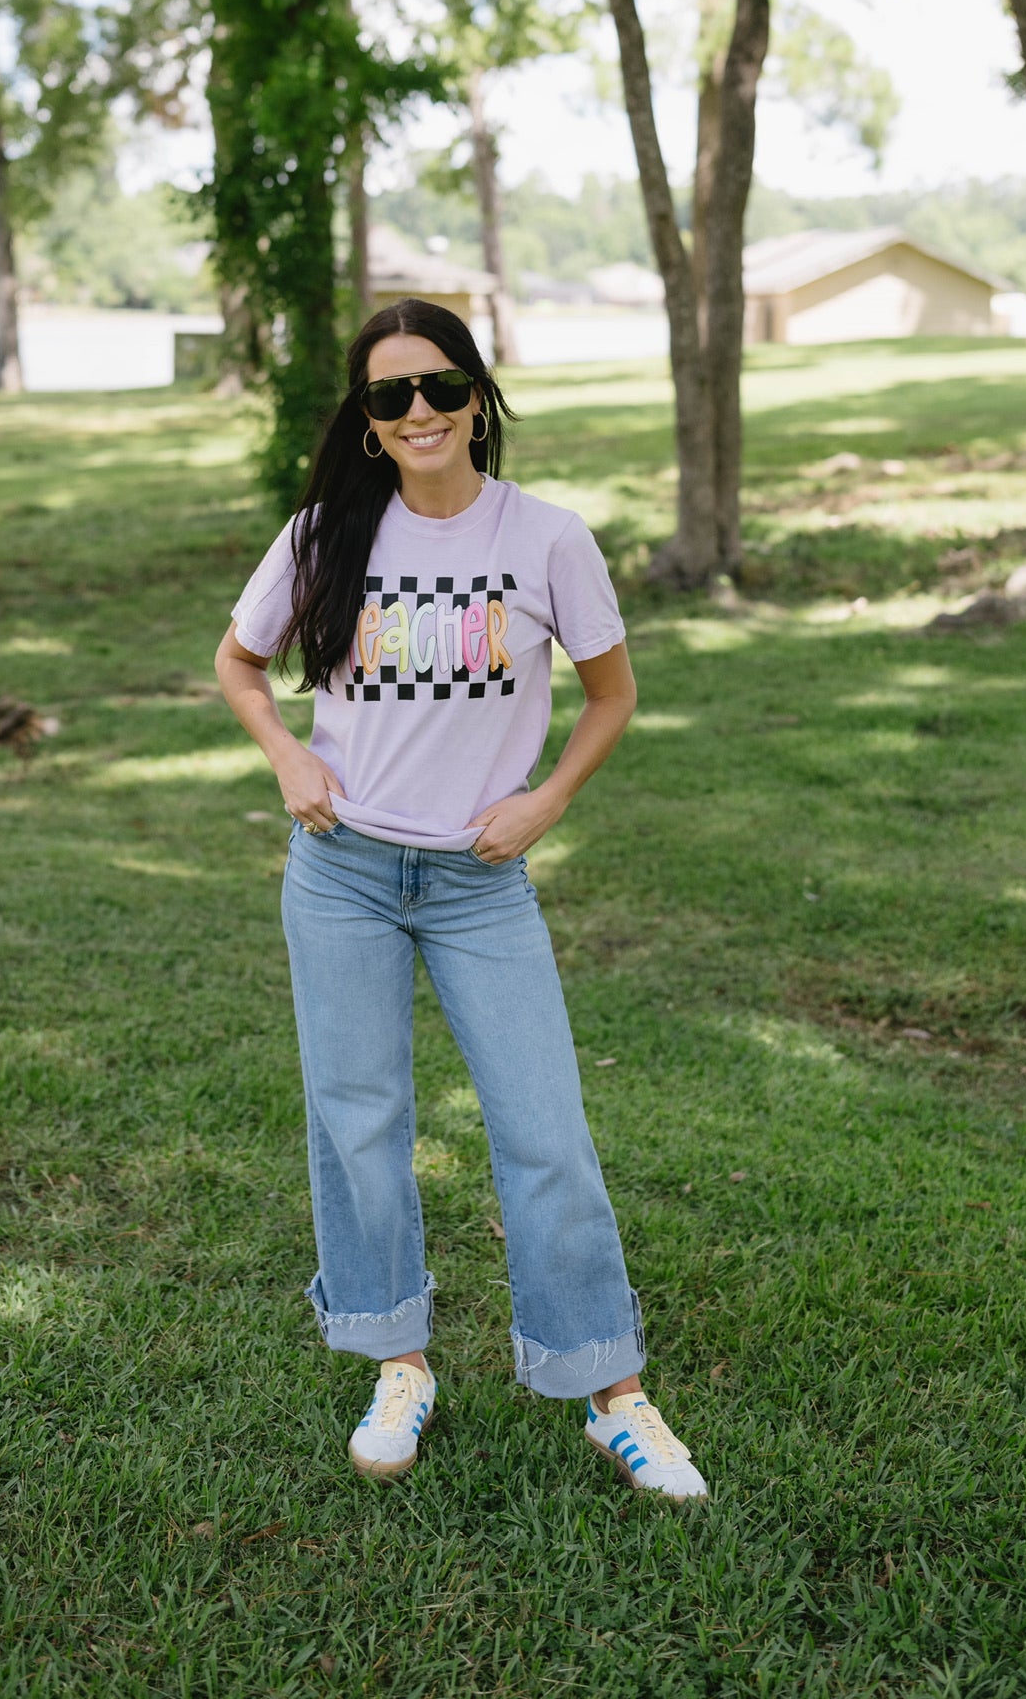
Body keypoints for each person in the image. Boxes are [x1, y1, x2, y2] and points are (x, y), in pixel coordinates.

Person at [216, 298, 706, 1503]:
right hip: (342, 874)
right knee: (360, 1120)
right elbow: (239, 663)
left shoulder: (547, 539)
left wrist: (546, 803)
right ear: (368, 422)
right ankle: (400, 1362)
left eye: (439, 387)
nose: (419, 412)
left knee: (545, 1131)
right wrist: (288, 757)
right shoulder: (322, 535)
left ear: (477, 396)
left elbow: (612, 696)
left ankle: (612, 1391)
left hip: (482, 886)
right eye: (391, 397)